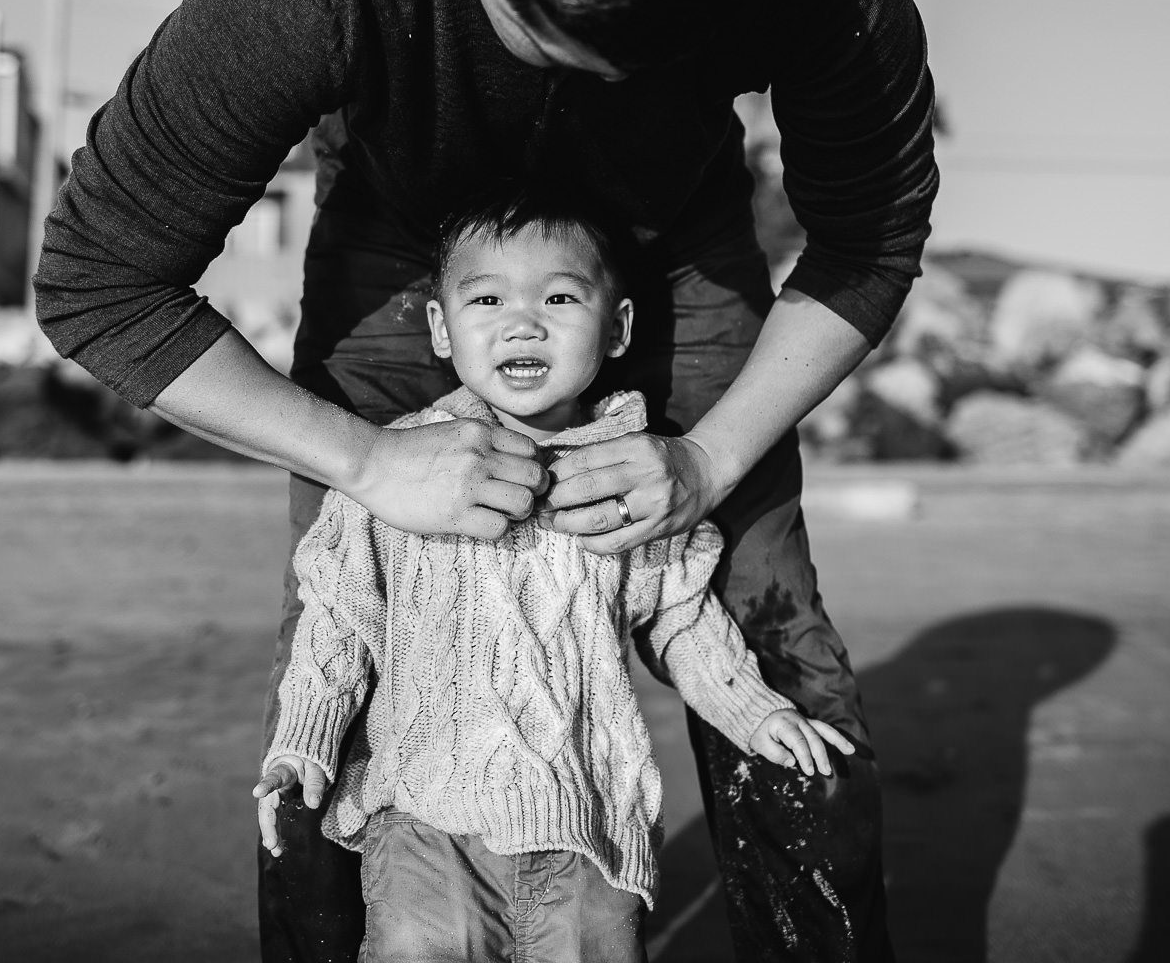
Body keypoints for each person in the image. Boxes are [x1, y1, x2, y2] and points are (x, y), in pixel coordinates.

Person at [35, 0, 938, 957]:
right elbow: (98, 272)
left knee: (767, 639)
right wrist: (366, 460)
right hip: (404, 236)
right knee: (353, 627)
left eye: (632, 64)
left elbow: (871, 233)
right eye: (544, 38)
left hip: (673, 245)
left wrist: (710, 463)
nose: (575, 92)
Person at [252, 189, 855, 963]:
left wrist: (753, 710)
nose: (522, 321)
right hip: (427, 819)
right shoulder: (397, 468)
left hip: (589, 829)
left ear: (618, 329)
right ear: (440, 328)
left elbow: (682, 618)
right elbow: (338, 619)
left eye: (561, 296)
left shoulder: (632, 476)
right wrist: (304, 742)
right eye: (488, 298)